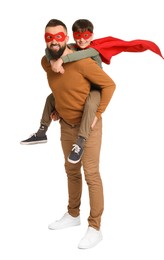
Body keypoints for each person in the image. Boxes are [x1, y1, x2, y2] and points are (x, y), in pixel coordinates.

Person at [41, 18, 116, 249]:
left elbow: (109, 85)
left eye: (59, 36)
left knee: (91, 174)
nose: (54, 41)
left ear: (67, 38)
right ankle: (73, 215)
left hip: (88, 125)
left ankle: (95, 227)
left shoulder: (83, 61)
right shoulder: (45, 62)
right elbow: (60, 88)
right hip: (66, 125)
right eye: (49, 37)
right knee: (71, 170)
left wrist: (98, 114)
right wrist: (56, 108)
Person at [20, 19, 102, 164]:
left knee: (90, 104)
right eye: (78, 35)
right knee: (51, 98)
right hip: (78, 90)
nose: (82, 39)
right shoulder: (73, 47)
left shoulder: (92, 50)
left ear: (92, 36)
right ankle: (42, 131)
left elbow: (74, 57)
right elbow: (48, 50)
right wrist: (52, 59)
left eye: (86, 36)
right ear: (72, 36)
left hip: (95, 89)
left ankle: (81, 141)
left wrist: (60, 60)